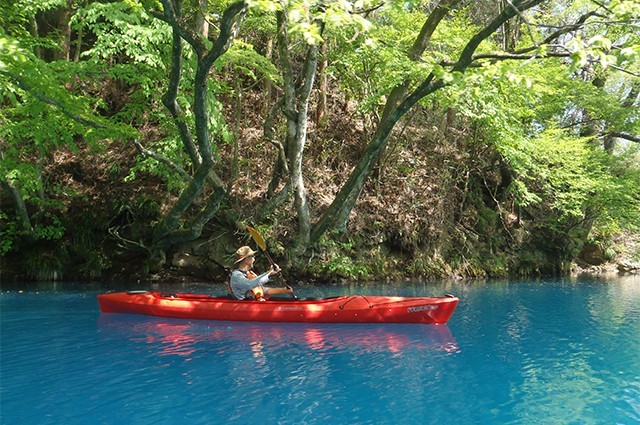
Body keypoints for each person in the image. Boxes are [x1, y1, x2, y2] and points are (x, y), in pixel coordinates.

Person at [228, 246, 293, 300]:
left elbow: (262, 290)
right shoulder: (236, 275)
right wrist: (269, 273)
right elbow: (250, 285)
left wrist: (283, 290)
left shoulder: (250, 273)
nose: (254, 259)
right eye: (253, 256)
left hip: (254, 303)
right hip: (245, 306)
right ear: (246, 260)